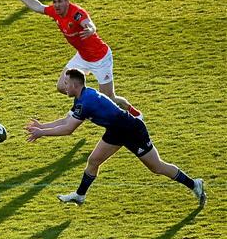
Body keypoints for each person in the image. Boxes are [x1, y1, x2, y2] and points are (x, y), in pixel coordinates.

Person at [25, 68, 206, 207]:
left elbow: (68, 129)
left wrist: (42, 133)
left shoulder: (86, 101)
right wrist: (43, 126)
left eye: (66, 83)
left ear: (75, 85)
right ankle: (80, 196)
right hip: (116, 130)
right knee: (94, 160)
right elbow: (66, 120)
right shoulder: (82, 97)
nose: (63, 86)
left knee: (156, 167)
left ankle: (194, 184)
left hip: (132, 130)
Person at [2, 0, 142, 118]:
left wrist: (91, 30)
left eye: (60, 1)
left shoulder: (76, 13)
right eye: (54, 2)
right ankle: (86, 101)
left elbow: (89, 23)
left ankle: (133, 112)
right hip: (82, 57)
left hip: (100, 58)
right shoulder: (54, 12)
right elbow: (38, 6)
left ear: (67, 2)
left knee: (108, 99)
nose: (56, 5)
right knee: (62, 86)